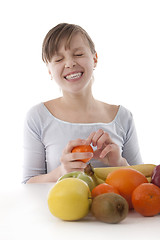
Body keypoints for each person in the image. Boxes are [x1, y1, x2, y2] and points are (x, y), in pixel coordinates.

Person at [22, 23, 143, 184]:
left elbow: (143, 183)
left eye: (78, 54)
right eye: (58, 59)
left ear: (95, 58)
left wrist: (119, 163)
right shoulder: (37, 117)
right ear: (50, 71)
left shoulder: (123, 117)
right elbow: (27, 184)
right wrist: (61, 172)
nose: (70, 63)